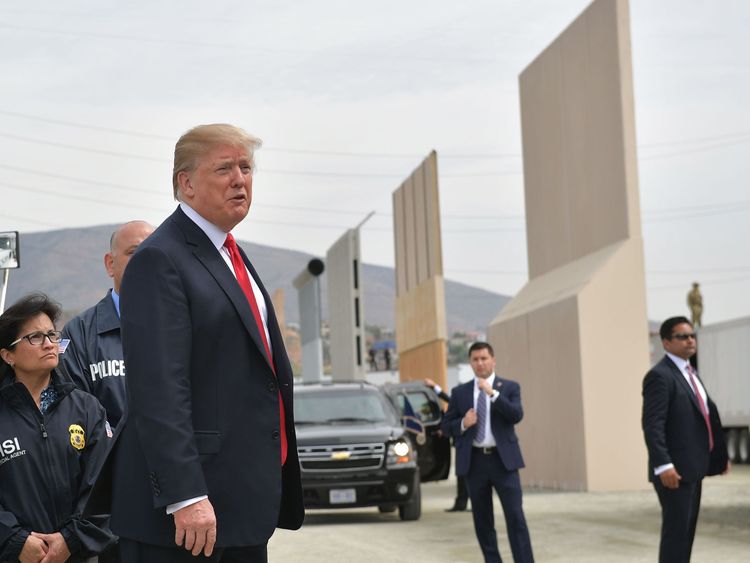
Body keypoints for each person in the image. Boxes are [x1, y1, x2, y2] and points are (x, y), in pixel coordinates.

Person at [110, 123, 304, 562]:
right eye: (224, 168)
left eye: (246, 167)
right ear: (187, 183)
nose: (240, 179)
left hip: (238, 505)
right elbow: (158, 389)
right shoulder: (161, 259)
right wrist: (185, 495)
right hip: (188, 517)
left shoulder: (230, 254)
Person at [0, 293, 115, 562]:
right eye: (35, 337)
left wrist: (70, 540)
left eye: (52, 335)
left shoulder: (87, 409)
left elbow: (105, 486)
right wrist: (17, 542)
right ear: (8, 355)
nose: (49, 344)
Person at [642, 316, 729, 563]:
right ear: (666, 343)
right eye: (682, 336)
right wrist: (663, 465)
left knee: (686, 534)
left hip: (693, 469)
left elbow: (705, 417)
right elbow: (652, 425)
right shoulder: (660, 377)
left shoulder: (691, 373)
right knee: (676, 535)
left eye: (692, 335)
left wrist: (719, 457)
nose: (690, 340)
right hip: (674, 473)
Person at [441, 342, 533, 563]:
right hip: (475, 463)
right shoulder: (460, 392)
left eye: (484, 358)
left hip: (504, 464)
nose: (480, 363)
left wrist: (493, 395)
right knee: (482, 522)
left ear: (493, 360)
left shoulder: (510, 387)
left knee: (515, 518)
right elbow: (446, 426)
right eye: (475, 359)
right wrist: (463, 422)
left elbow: (516, 415)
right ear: (470, 362)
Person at [59, 220, 154, 429]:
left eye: (153, 253)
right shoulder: (79, 334)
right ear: (110, 264)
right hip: (108, 460)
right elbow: (72, 414)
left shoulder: (185, 324)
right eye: (133, 252)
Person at [424, 377, 470, 513]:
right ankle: (461, 503)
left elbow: (448, 399)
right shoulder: (461, 404)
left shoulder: (467, 404)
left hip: (467, 444)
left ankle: (464, 503)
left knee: (466, 475)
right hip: (460, 444)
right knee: (462, 475)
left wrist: (435, 387)